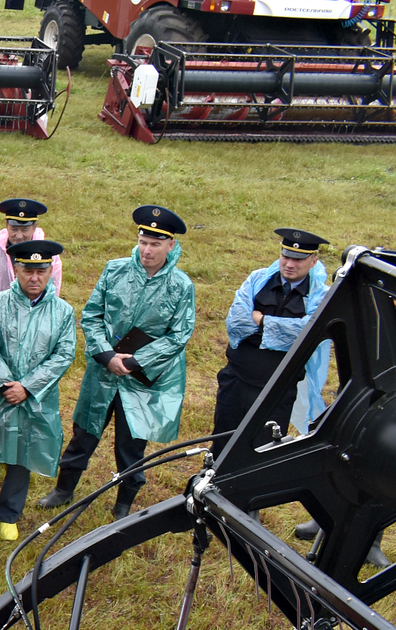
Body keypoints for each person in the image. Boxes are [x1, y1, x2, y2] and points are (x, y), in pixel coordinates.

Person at [41, 205, 196, 519]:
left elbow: (179, 334)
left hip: (143, 379)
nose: (147, 250)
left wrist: (136, 361)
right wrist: (107, 355)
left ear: (171, 245)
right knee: (84, 432)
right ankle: (64, 488)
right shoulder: (114, 270)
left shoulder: (181, 286)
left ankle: (124, 502)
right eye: (143, 242)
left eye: (155, 244)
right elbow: (92, 315)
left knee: (132, 441)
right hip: (103, 370)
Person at [0, 239, 76, 541]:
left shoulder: (62, 312)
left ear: (50, 271)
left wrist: (27, 386)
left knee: (24, 451)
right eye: (27, 271)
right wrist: (6, 382)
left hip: (34, 397)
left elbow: (64, 354)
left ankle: (9, 513)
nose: (34, 278)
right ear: (15, 271)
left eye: (41, 271)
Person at [213, 228, 331, 455]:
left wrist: (262, 320)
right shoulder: (258, 279)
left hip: (277, 391)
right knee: (222, 441)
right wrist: (284, 331)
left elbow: (308, 334)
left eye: (299, 259)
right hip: (236, 380)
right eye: (286, 256)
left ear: (314, 261)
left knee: (263, 451)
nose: (290, 264)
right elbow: (237, 323)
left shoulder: (321, 295)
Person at [0, 198, 62, 298]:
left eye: (25, 230)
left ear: (34, 227)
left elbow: (53, 291)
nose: (19, 236)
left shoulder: (50, 253)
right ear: (7, 225)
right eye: (14, 229)